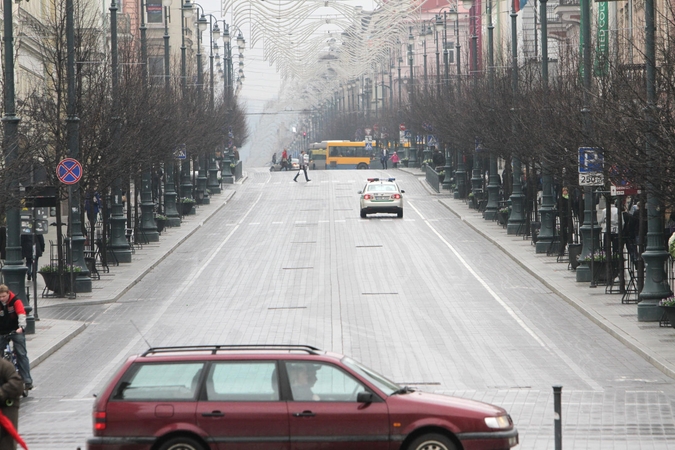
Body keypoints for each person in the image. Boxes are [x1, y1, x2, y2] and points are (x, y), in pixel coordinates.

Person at [0, 286, 32, 391]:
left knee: (21, 353)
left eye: (4, 296)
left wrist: (21, 327)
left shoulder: (15, 301)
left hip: (15, 330)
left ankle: (27, 380)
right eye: (0, 297)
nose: (2, 299)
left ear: (8, 294)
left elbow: (21, 314)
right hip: (2, 331)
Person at [0, 356, 24, 450]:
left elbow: (17, 384)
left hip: (7, 409)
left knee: (6, 444)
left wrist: (2, 392)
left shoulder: (4, 366)